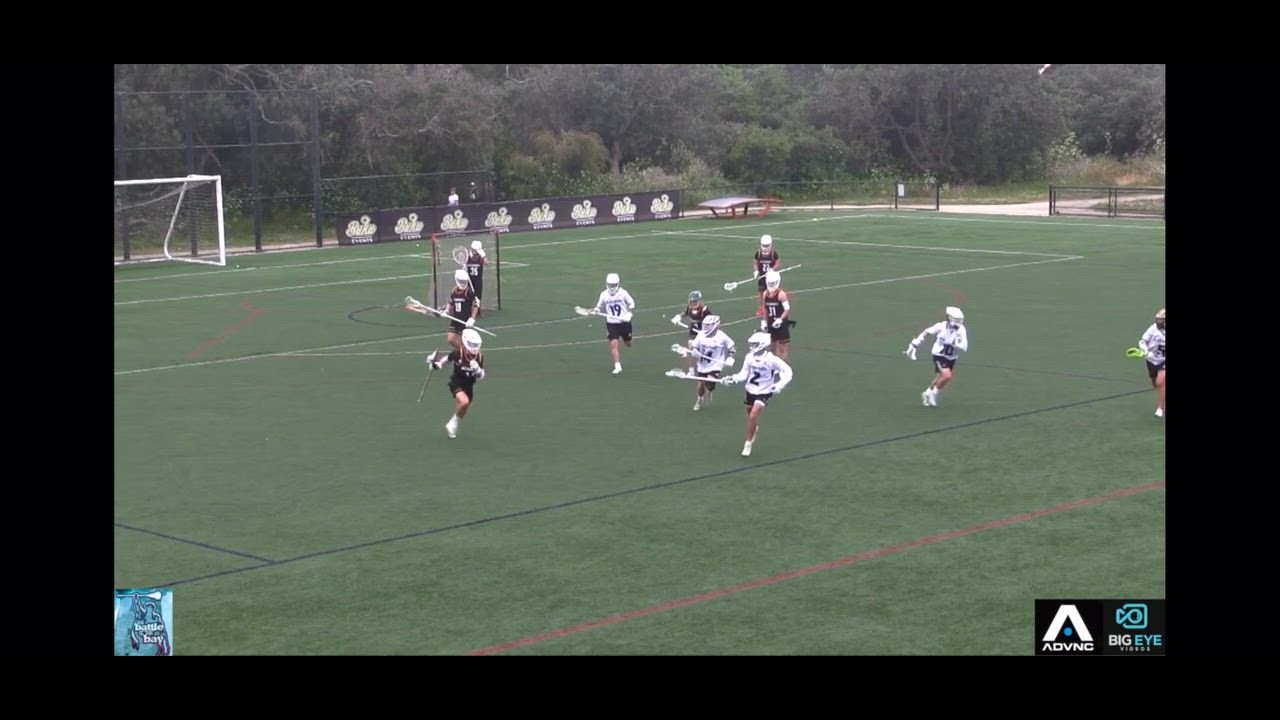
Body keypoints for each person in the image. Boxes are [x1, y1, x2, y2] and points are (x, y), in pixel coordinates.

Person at [723, 332, 793, 456]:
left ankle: (747, 443)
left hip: (764, 391)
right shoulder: (749, 357)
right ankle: (753, 428)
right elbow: (743, 374)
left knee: (753, 415)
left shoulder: (771, 359)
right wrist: (732, 378)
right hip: (750, 390)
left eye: (754, 344)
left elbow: (788, 371)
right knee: (750, 416)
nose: (751, 346)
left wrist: (779, 385)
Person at [903, 306, 969, 407]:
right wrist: (915, 344)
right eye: (956, 320)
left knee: (940, 377)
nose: (958, 322)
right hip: (939, 355)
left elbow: (964, 347)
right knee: (947, 376)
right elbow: (926, 332)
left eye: (959, 320)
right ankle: (933, 394)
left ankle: (927, 393)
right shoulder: (940, 326)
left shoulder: (961, 330)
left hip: (951, 357)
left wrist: (955, 345)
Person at [427, 328, 486, 439]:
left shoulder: (479, 357)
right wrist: (433, 364)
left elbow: (481, 376)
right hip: (457, 383)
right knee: (464, 402)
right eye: (471, 344)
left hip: (469, 386)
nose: (473, 348)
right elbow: (441, 363)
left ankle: (453, 423)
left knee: (463, 407)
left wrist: (477, 369)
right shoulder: (457, 353)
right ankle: (452, 424)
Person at [689, 314, 735, 411]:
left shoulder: (721, 336)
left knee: (710, 382)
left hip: (716, 364)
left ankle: (709, 389)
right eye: (705, 325)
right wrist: (695, 351)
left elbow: (731, 346)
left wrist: (731, 357)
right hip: (702, 364)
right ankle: (699, 399)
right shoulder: (701, 335)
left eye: (708, 325)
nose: (706, 327)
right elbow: (693, 346)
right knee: (701, 383)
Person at [591, 272, 636, 375]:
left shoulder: (623, 293)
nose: (612, 287)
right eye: (610, 285)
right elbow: (599, 306)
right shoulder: (604, 295)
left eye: (613, 285)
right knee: (613, 344)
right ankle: (617, 366)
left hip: (624, 323)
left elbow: (632, 304)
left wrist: (629, 314)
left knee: (628, 344)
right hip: (611, 324)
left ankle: (627, 339)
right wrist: (596, 310)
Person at [760, 270, 794, 362]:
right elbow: (765, 308)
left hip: (781, 324)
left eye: (773, 283)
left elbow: (787, 309)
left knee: (782, 348)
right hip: (771, 322)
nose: (771, 285)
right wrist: (764, 321)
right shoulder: (765, 294)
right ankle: (773, 366)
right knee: (772, 347)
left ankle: (782, 366)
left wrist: (780, 319)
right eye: (770, 283)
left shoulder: (781, 294)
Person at [1137, 308, 1166, 418]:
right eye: (1158, 319)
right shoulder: (1153, 329)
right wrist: (1145, 351)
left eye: (1161, 320)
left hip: (1164, 361)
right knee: (1154, 381)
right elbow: (1143, 341)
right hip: (1152, 360)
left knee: (1160, 382)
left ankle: (1160, 409)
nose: (1158, 322)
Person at [442, 268, 479, 352]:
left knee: (463, 340)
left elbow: (476, 305)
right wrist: (446, 311)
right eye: (461, 281)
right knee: (451, 339)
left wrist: (472, 319)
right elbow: (451, 302)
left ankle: (465, 354)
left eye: (464, 281)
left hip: (465, 320)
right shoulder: (454, 290)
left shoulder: (468, 292)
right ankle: (464, 352)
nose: (462, 282)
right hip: (455, 319)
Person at [671, 290, 710, 369]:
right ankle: (691, 370)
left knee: (704, 351)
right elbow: (684, 313)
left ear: (699, 301)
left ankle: (706, 367)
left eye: (695, 301)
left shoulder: (704, 310)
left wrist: (705, 331)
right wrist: (678, 317)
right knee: (690, 349)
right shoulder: (689, 307)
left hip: (703, 332)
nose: (693, 303)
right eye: (691, 301)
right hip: (693, 331)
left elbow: (711, 322)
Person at [752, 234, 780, 317]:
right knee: (761, 293)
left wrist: (772, 269)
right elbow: (755, 263)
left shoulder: (773, 253)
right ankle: (761, 308)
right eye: (764, 245)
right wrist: (756, 271)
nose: (765, 247)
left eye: (767, 245)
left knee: (772, 292)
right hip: (762, 276)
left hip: (770, 277)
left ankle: (774, 307)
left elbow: (777, 263)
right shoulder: (758, 253)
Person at [465, 239, 487, 314]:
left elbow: (487, 262)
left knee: (478, 296)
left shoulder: (481, 257)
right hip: (469, 280)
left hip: (478, 280)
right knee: (469, 295)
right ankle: (468, 310)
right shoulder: (467, 256)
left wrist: (483, 255)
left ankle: (477, 311)